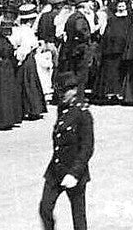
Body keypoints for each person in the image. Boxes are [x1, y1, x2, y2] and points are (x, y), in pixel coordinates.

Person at [39, 72, 93, 230]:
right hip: (55, 169)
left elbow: (87, 148)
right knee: (45, 209)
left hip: (74, 172)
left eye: (65, 92)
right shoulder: (62, 108)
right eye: (59, 91)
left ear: (74, 90)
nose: (61, 95)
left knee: (78, 216)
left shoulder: (83, 113)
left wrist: (74, 173)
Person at [14, 4, 47, 121]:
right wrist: (20, 59)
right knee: (29, 84)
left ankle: (23, 109)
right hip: (27, 60)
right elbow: (25, 48)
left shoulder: (18, 29)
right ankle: (33, 109)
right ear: (31, 20)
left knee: (23, 84)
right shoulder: (27, 32)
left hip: (25, 59)